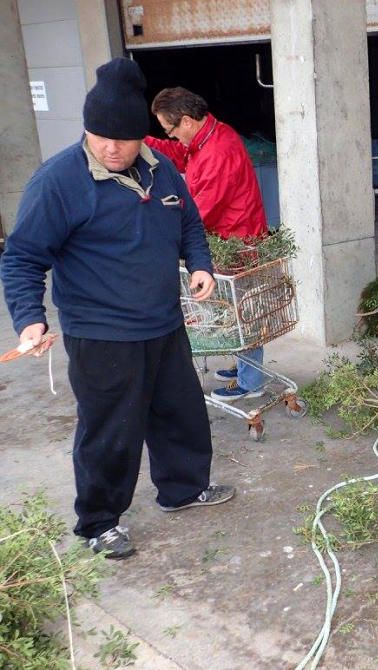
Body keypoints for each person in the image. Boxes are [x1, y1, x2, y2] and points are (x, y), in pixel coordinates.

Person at [1, 58, 234, 560]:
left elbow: (189, 222)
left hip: (163, 323)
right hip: (101, 333)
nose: (110, 147)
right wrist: (30, 318)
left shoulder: (162, 167)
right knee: (111, 432)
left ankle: (183, 489)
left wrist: (199, 264)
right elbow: (22, 258)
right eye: (98, 135)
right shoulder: (58, 181)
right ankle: (99, 522)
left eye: (122, 138)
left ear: (142, 137)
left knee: (180, 415)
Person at [144, 87, 269, 402]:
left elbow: (199, 214)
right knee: (232, 309)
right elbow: (178, 155)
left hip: (238, 241)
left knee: (242, 311)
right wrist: (140, 141)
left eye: (169, 130)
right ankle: (242, 366)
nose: (171, 137)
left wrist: (162, 232)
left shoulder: (217, 153)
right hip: (231, 234)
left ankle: (252, 381)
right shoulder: (206, 135)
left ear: (186, 121)